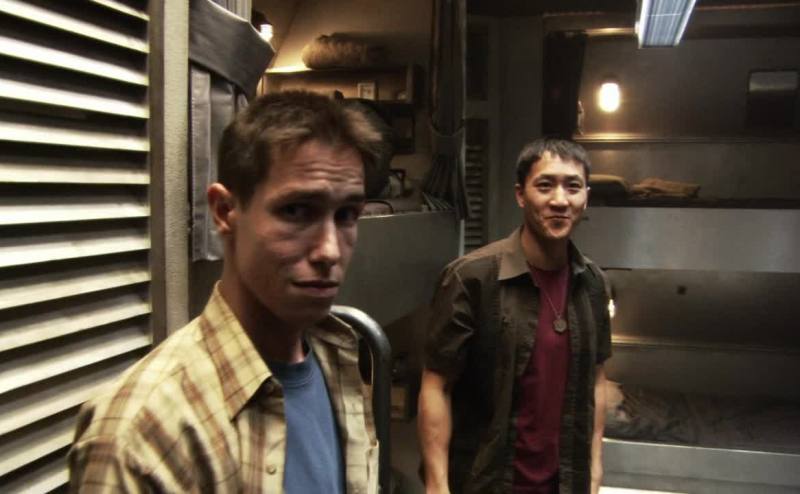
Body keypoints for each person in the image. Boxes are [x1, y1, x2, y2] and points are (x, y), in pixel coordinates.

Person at [69, 91, 384, 493]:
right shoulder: (141, 435)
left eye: (346, 215)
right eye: (296, 211)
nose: (330, 251)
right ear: (224, 211)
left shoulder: (335, 358)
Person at [418, 138, 611, 494]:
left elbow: (596, 382)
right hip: (486, 483)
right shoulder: (471, 278)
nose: (560, 200)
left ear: (585, 197)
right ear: (521, 195)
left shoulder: (593, 283)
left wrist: (595, 466)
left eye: (572, 187)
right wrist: (436, 485)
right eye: (545, 185)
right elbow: (436, 386)